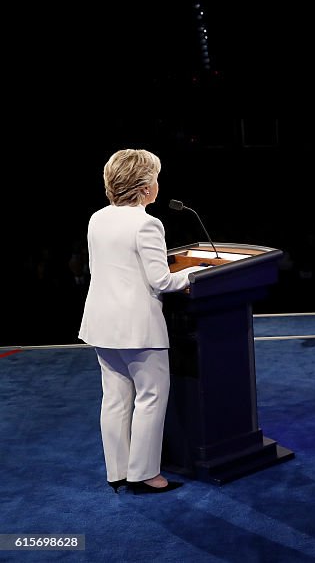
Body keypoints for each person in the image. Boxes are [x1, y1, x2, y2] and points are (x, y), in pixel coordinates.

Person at [79, 149, 196, 493]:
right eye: (156, 178)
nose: (158, 184)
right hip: (138, 328)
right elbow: (162, 281)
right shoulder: (147, 223)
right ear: (145, 187)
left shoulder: (97, 218)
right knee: (150, 397)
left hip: (102, 323)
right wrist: (193, 273)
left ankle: (117, 472)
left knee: (114, 397)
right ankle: (146, 475)